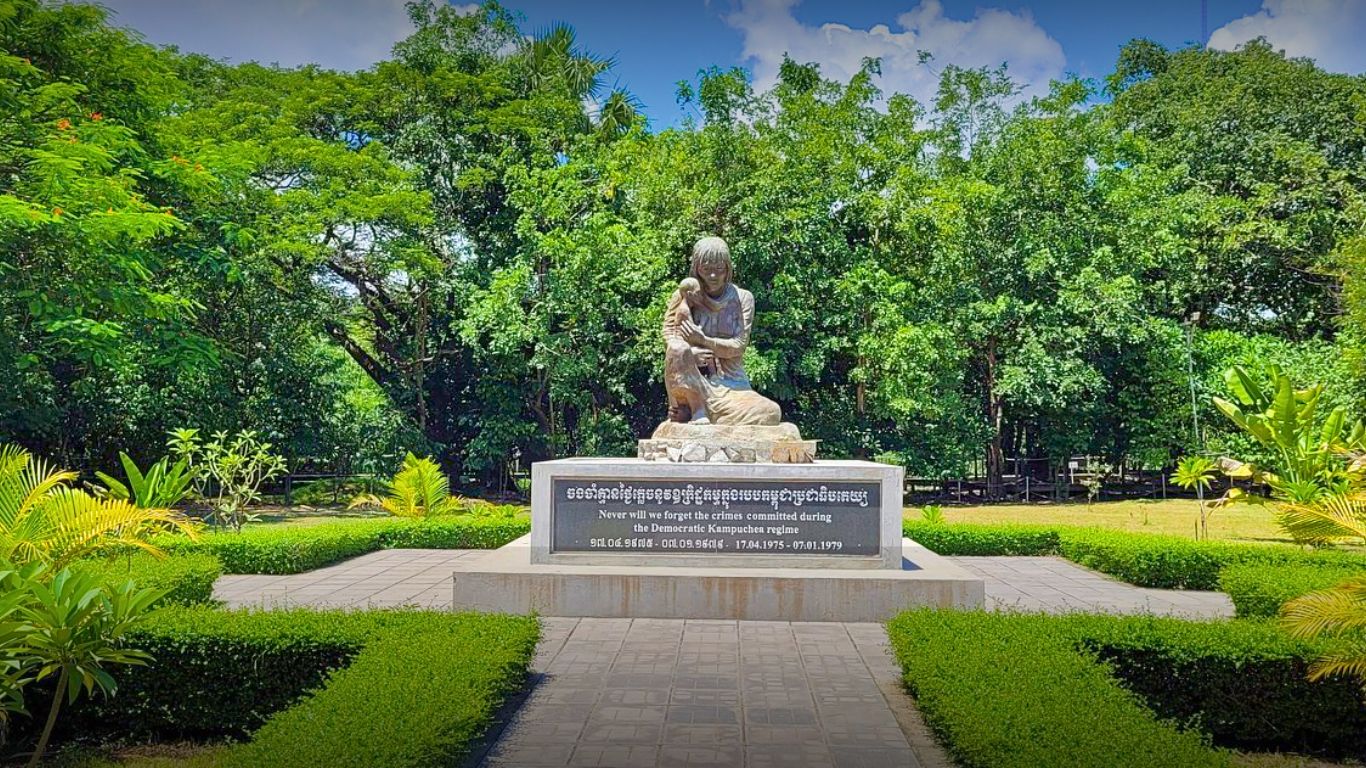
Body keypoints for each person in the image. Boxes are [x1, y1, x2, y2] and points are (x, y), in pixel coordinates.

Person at [661, 237, 782, 426]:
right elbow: (670, 333)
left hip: (732, 386)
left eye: (719, 269)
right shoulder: (686, 294)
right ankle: (695, 409)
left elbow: (739, 345)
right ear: (696, 269)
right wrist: (690, 355)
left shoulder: (743, 298)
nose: (713, 276)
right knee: (677, 350)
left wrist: (703, 340)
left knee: (771, 412)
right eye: (706, 269)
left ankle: (714, 418)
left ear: (728, 269)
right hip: (695, 380)